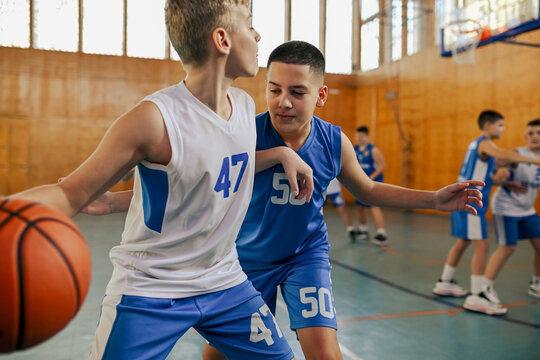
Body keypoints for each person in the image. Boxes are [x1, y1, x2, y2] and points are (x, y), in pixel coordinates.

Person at [12, 1, 314, 359]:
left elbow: (218, 170)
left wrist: (281, 154)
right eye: (249, 24)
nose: (257, 34)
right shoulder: (154, 120)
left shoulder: (244, 105)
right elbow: (68, 193)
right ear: (222, 39)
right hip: (151, 288)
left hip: (224, 279)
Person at [198, 41, 484, 360]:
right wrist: (278, 154)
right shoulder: (246, 132)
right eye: (274, 90)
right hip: (247, 260)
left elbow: (367, 190)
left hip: (303, 258)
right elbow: (211, 171)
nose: (284, 102)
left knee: (326, 356)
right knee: (217, 356)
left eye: (297, 92)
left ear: (320, 96)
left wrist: (432, 199)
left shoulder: (333, 142)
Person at [432, 110, 540, 316]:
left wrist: (505, 182)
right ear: (488, 125)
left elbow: (483, 175)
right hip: (471, 200)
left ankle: (445, 281)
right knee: (482, 244)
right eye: (501, 125)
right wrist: (536, 160)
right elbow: (506, 155)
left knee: (464, 241)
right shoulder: (485, 143)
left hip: (463, 196)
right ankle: (478, 295)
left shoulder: (477, 146)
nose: (503, 129)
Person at [481, 118, 540, 313]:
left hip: (527, 209)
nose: (534, 137)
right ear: (525, 136)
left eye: (538, 133)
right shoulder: (517, 153)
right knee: (508, 247)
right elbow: (495, 168)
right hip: (506, 207)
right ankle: (484, 290)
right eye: (531, 133)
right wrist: (502, 175)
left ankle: (536, 284)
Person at [353, 126, 388, 246]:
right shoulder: (354, 149)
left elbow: (382, 166)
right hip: (360, 183)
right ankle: (363, 229)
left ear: (366, 137)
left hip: (373, 183)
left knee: (374, 207)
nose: (359, 138)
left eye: (361, 136)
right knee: (359, 206)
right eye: (357, 136)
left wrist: (371, 177)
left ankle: (381, 233)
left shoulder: (373, 149)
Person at [325, 178, 357, 242]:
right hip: (322, 191)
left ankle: (350, 229)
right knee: (316, 211)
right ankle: (311, 231)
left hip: (335, 191)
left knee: (342, 210)